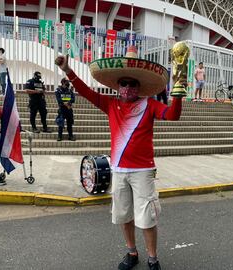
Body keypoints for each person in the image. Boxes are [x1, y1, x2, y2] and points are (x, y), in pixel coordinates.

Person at [55, 46, 182, 270]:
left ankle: (153, 259)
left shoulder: (148, 104)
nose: (128, 87)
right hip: (119, 169)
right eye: (124, 83)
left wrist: (178, 95)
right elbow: (85, 92)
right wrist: (68, 70)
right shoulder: (110, 104)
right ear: (118, 85)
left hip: (143, 171)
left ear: (139, 86)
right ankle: (132, 253)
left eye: (133, 84)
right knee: (124, 215)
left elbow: (172, 115)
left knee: (147, 218)